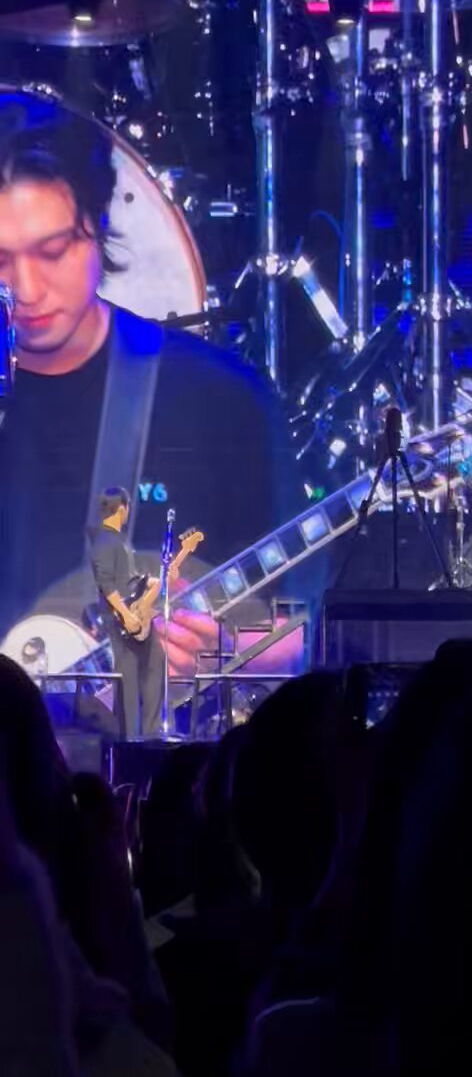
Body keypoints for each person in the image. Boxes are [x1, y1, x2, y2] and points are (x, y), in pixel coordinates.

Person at [0, 91, 308, 685]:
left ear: (100, 225)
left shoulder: (220, 399)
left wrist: (219, 649)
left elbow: (304, 632)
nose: (27, 289)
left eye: (53, 251)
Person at [88, 487, 163, 737]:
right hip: (120, 620)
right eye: (127, 508)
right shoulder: (103, 542)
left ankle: (151, 733)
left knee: (154, 663)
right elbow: (106, 584)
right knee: (127, 677)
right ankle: (129, 738)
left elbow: (126, 581)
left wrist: (146, 582)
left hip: (134, 615)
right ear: (122, 509)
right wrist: (126, 614)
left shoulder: (119, 540)